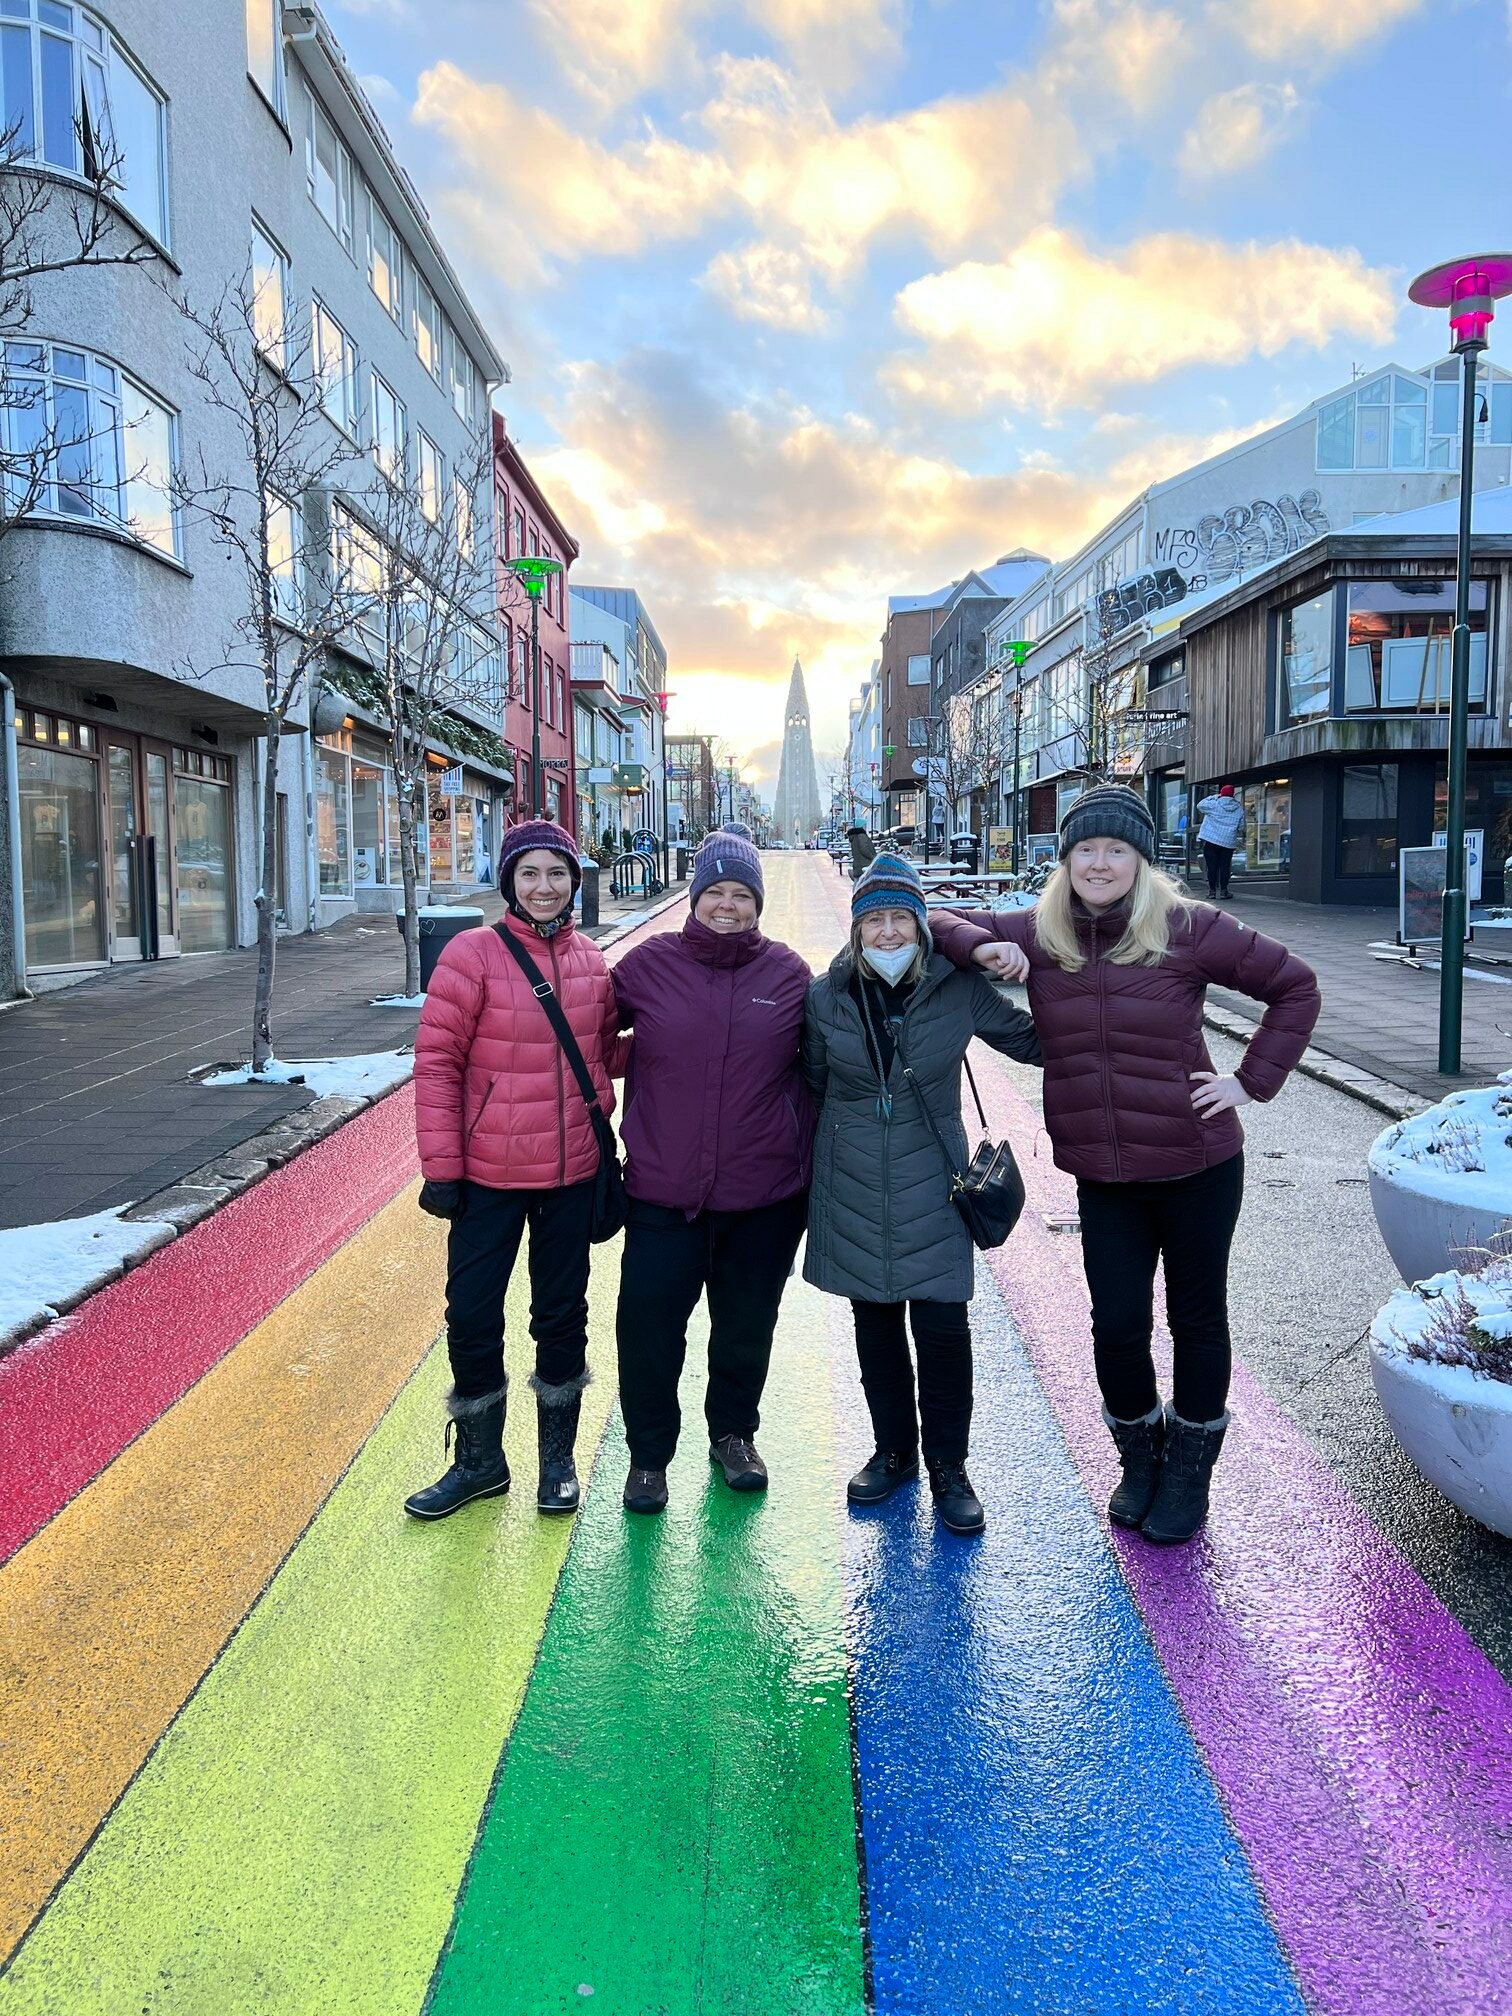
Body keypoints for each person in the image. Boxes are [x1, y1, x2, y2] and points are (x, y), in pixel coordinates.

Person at [931, 784, 1320, 1544]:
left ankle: (1188, 1475)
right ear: (1066, 859)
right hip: (1104, 1177)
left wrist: (1249, 1082)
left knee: (1196, 1320)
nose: (1100, 863)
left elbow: (1294, 987)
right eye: (1086, 849)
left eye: (1116, 849)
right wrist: (978, 946)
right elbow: (931, 920)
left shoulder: (1189, 927)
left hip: (1199, 1166)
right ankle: (1139, 1461)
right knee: (1116, 1326)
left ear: (1141, 860)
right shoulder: (1041, 932)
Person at [803, 853, 1042, 1536]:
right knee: (875, 1328)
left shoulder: (956, 987)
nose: (887, 932)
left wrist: (1065, 985)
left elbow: (1033, 1043)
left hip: (936, 1180)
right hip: (852, 1181)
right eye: (873, 918)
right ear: (856, 928)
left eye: (900, 917)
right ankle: (893, 1453)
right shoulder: (825, 996)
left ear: (921, 924)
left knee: (942, 1333)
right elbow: (813, 1082)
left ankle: (949, 1468)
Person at [406, 819, 624, 1522]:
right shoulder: (471, 955)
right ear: (508, 882)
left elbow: (601, 1054)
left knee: (561, 1317)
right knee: (471, 1314)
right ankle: (480, 1462)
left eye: (557, 873)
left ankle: (557, 1461)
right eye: (529, 873)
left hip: (570, 1173)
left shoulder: (591, 960)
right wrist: (443, 1167)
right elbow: (438, 1065)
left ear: (574, 882)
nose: (543, 887)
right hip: (485, 1176)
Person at [610, 827, 813, 1513]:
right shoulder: (648, 966)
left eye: (741, 894)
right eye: (716, 891)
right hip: (662, 1195)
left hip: (763, 1196)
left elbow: (822, 1065)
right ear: (695, 897)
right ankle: (648, 1458)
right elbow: (585, 1033)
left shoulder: (788, 975)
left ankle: (733, 1435)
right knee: (648, 1332)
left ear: (757, 903)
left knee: (745, 1327)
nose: (727, 905)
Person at [1195, 784, 1245, 899]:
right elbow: (1241, 827)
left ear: (1221, 794)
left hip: (1211, 840)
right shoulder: (1239, 809)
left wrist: (1214, 796)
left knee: (1211, 866)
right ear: (1233, 795)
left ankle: (1212, 891)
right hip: (1227, 842)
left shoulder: (1214, 804)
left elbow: (1200, 805)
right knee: (1225, 867)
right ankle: (1223, 891)